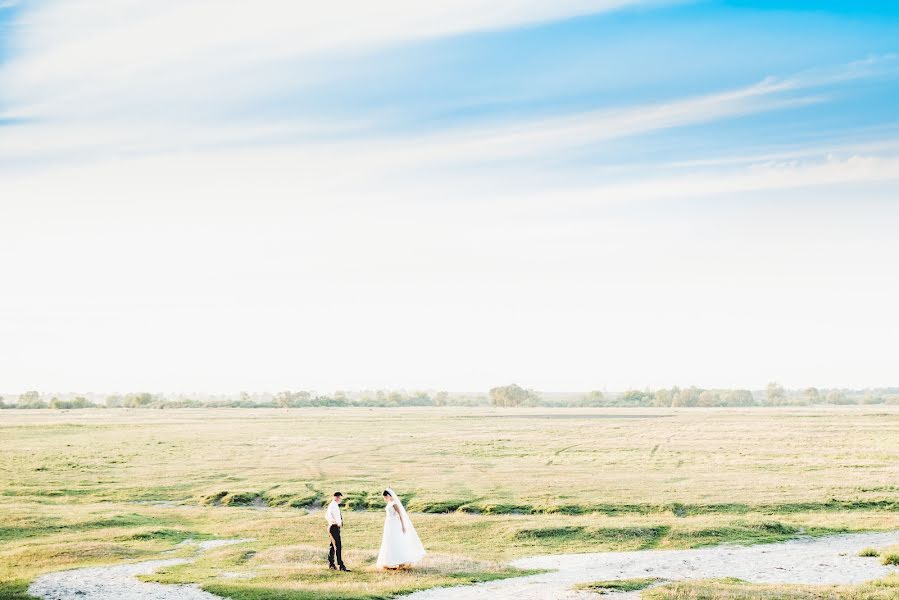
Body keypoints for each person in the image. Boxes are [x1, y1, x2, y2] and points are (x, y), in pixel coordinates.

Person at [376, 488, 425, 569]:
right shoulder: (389, 503)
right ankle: (390, 561)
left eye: (385, 497)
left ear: (388, 495)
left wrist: (403, 525)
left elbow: (400, 514)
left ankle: (400, 561)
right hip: (389, 523)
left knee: (396, 540)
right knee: (389, 541)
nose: (385, 499)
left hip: (393, 523)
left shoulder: (394, 503)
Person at [326, 491, 350, 571]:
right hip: (334, 527)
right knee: (338, 546)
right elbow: (328, 516)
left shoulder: (334, 505)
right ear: (336, 497)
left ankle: (331, 564)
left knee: (333, 546)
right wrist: (334, 522)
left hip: (334, 527)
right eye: (340, 498)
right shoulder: (333, 505)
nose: (341, 500)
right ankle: (341, 566)